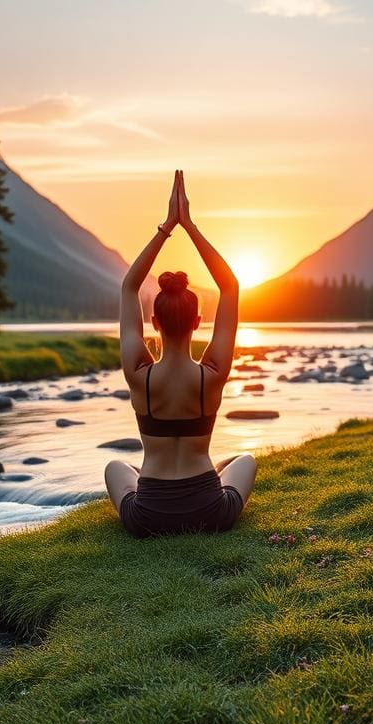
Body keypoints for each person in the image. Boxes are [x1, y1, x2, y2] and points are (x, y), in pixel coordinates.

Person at [104, 170, 257, 538]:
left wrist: (166, 227)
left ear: (153, 321)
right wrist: (189, 225)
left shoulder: (139, 373)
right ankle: (210, 478)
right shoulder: (213, 373)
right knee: (247, 460)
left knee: (115, 467)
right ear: (198, 321)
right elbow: (230, 286)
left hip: (148, 516)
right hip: (209, 511)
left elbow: (129, 287)